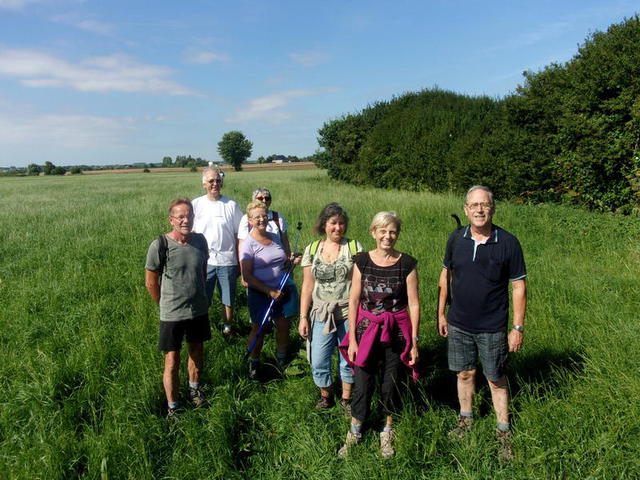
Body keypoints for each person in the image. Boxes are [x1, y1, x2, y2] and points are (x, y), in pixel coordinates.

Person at [437, 185, 527, 462]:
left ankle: (503, 431)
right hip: (459, 323)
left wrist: (517, 327)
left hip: (492, 325)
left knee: (495, 378)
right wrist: (441, 313)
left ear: (493, 209)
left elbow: (519, 288)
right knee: (464, 374)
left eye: (484, 205)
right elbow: (445, 277)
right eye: (474, 205)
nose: (479, 210)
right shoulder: (456, 238)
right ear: (465, 209)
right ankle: (466, 420)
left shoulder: (508, 242)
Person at [338, 211, 420, 459]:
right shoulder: (362, 261)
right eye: (382, 231)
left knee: (391, 383)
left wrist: (414, 342)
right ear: (373, 232)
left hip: (396, 331)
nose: (388, 236)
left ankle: (387, 431)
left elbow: (414, 304)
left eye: (392, 231)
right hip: (366, 331)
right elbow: (353, 300)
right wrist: (352, 338)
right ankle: (355, 431)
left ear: (398, 234)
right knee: (362, 382)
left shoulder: (407, 264)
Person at [145, 198, 210, 417]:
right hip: (172, 313)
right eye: (180, 216)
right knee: (172, 359)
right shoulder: (160, 245)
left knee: (196, 351)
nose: (186, 220)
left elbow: (202, 271)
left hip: (198, 310)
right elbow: (151, 282)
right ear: (171, 219)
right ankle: (173, 407)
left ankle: (195, 390)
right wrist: (165, 305)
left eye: (189, 215)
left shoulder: (200, 241)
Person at [299, 203, 363, 411]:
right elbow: (308, 285)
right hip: (320, 313)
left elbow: (360, 282)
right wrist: (303, 316)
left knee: (348, 358)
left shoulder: (354, 248)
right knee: (318, 359)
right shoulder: (312, 249)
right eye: (333, 223)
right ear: (324, 225)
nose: (338, 228)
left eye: (342, 223)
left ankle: (346, 399)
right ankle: (326, 396)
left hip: (348, 312)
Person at [240, 200, 298, 379]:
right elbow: (247, 276)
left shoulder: (274, 238)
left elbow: (282, 262)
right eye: (257, 217)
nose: (261, 219)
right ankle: (254, 362)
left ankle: (281, 360)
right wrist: (268, 291)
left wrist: (291, 263)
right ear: (250, 220)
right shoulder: (248, 244)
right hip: (261, 292)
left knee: (283, 326)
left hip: (282, 288)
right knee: (259, 328)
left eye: (264, 216)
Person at [192, 167, 243, 335]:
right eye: (211, 181)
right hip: (203, 261)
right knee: (202, 296)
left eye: (218, 181)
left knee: (228, 297)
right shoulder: (196, 204)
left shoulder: (231, 205)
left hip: (228, 259)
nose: (215, 184)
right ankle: (202, 326)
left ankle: (228, 326)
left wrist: (239, 262)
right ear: (204, 184)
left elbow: (239, 235)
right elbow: (191, 233)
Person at [238, 187, 299, 320]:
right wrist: (244, 274)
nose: (264, 200)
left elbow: (285, 244)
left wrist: (291, 262)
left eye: (267, 198)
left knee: (283, 324)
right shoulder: (246, 223)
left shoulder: (278, 218)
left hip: (281, 284)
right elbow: (242, 246)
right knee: (260, 325)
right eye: (260, 198)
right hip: (260, 287)